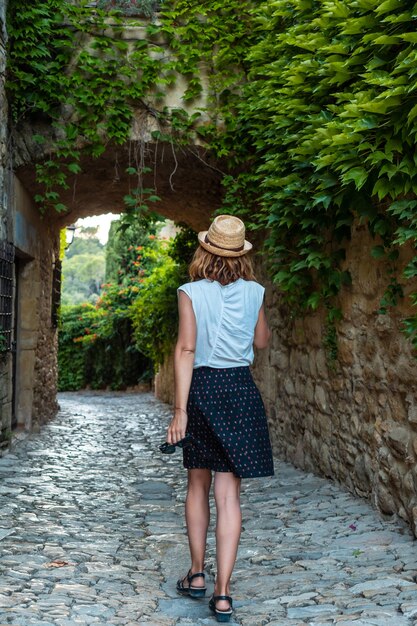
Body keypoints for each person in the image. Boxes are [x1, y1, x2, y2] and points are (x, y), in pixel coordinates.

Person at [166, 214, 274, 623]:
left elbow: (187, 350)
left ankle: (197, 575)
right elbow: (260, 342)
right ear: (241, 254)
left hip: (204, 391)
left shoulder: (190, 291)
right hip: (241, 391)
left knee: (198, 481)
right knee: (229, 495)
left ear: (205, 250)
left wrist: (180, 411)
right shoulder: (256, 291)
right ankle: (224, 594)